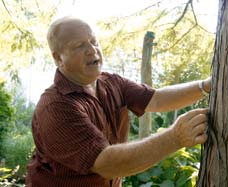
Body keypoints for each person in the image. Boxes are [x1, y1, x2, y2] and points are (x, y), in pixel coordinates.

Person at [26, 16, 211, 187]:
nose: (92, 50)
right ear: (59, 58)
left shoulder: (112, 82)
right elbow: (106, 164)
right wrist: (175, 138)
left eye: (94, 41)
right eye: (79, 45)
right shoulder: (56, 107)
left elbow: (157, 99)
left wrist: (207, 86)